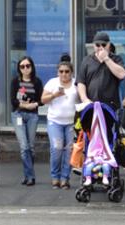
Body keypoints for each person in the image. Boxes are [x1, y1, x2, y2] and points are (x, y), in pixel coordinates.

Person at [41, 61, 80, 189]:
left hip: (70, 123)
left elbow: (82, 100)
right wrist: (54, 95)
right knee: (56, 149)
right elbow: (42, 99)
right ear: (58, 72)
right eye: (61, 71)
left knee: (69, 150)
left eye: (67, 71)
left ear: (71, 72)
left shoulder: (76, 84)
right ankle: (55, 177)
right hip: (54, 121)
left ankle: (65, 178)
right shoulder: (53, 82)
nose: (64, 74)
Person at [11, 55, 44, 185]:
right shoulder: (15, 82)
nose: (25, 69)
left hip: (32, 116)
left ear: (32, 67)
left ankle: (27, 175)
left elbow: (42, 100)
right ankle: (30, 176)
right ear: (19, 68)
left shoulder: (37, 82)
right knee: (24, 146)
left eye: (27, 66)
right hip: (18, 114)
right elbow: (13, 101)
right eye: (22, 66)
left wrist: (34, 105)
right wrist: (25, 105)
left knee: (30, 147)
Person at [78, 31, 125, 113]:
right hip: (91, 105)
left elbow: (122, 75)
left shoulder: (116, 59)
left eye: (103, 45)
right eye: (97, 45)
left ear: (109, 45)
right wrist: (85, 99)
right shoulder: (87, 60)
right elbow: (81, 82)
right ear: (93, 45)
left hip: (110, 106)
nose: (100, 47)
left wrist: (106, 59)